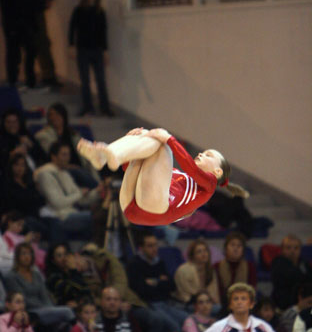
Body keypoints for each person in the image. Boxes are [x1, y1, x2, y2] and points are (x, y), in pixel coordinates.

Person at [78, 127, 248, 227]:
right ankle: (105, 155)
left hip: (156, 211)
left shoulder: (209, 185)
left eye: (208, 155)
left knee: (163, 145)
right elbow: (130, 170)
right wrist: (133, 142)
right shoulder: (171, 174)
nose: (202, 154)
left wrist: (170, 140)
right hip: (131, 205)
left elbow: (192, 170)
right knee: (146, 136)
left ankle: (112, 154)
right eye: (203, 152)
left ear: (217, 172)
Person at [4, 243, 75, 332]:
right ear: (17, 257)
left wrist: (51, 309)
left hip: (44, 309)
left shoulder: (36, 275)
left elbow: (44, 295)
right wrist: (47, 309)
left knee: (64, 325)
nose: (27, 256)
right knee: (68, 312)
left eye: (29, 253)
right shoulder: (11, 277)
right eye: (23, 254)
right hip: (29, 311)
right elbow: (21, 299)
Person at [34, 141, 101, 240]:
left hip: (71, 212)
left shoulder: (64, 173)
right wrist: (79, 194)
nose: (67, 158)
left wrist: (98, 191)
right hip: (58, 216)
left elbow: (81, 200)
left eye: (68, 154)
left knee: (103, 213)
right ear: (54, 157)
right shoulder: (45, 174)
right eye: (64, 155)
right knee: (96, 218)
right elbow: (58, 203)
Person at [127, 231, 187, 332]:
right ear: (141, 248)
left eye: (155, 245)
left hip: (165, 302)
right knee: (174, 326)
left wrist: (154, 282)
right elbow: (142, 291)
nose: (154, 248)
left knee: (187, 319)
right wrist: (160, 281)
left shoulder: (159, 262)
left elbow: (172, 286)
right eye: (150, 246)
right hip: (147, 305)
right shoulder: (134, 264)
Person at [68, 0, 113, 116]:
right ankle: (87, 107)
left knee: (100, 79)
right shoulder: (78, 11)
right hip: (83, 49)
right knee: (85, 80)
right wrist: (71, 45)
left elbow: (103, 32)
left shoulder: (100, 12)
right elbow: (72, 29)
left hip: (97, 50)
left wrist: (105, 50)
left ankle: (104, 107)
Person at [35, 102, 100, 187]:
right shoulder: (43, 135)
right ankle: (99, 188)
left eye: (57, 114)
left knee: (96, 162)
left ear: (63, 116)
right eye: (51, 115)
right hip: (62, 168)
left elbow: (83, 154)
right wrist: (69, 166)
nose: (54, 117)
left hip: (80, 166)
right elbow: (52, 155)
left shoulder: (73, 134)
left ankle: (101, 186)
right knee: (78, 172)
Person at [0, 108, 45, 172]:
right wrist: (12, 154)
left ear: (19, 122)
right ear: (3, 123)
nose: (12, 125)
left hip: (35, 171)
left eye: (15, 122)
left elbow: (43, 156)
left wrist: (31, 145)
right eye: (8, 122)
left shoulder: (26, 134)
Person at [214, 231, 256, 307]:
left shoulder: (250, 266)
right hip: (222, 304)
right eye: (232, 245)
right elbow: (215, 291)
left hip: (243, 303)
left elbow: (252, 289)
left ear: (243, 250)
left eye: (239, 246)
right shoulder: (216, 266)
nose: (235, 248)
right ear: (226, 248)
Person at [271, 234, 312, 310]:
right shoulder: (277, 263)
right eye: (288, 248)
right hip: (283, 304)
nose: (292, 251)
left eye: (296, 248)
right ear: (282, 249)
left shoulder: (303, 263)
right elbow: (293, 278)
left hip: (304, 301)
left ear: (300, 250)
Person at [175, 238, 220, 306]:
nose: (203, 254)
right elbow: (185, 296)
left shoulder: (210, 270)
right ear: (192, 256)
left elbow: (213, 293)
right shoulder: (183, 270)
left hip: (206, 304)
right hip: (187, 304)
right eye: (199, 252)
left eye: (205, 250)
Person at [45, 243, 92, 307]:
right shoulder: (53, 278)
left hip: (81, 307)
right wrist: (73, 270)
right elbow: (69, 292)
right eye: (59, 255)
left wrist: (79, 303)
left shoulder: (73, 273)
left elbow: (86, 291)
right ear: (53, 260)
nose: (64, 258)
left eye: (65, 254)